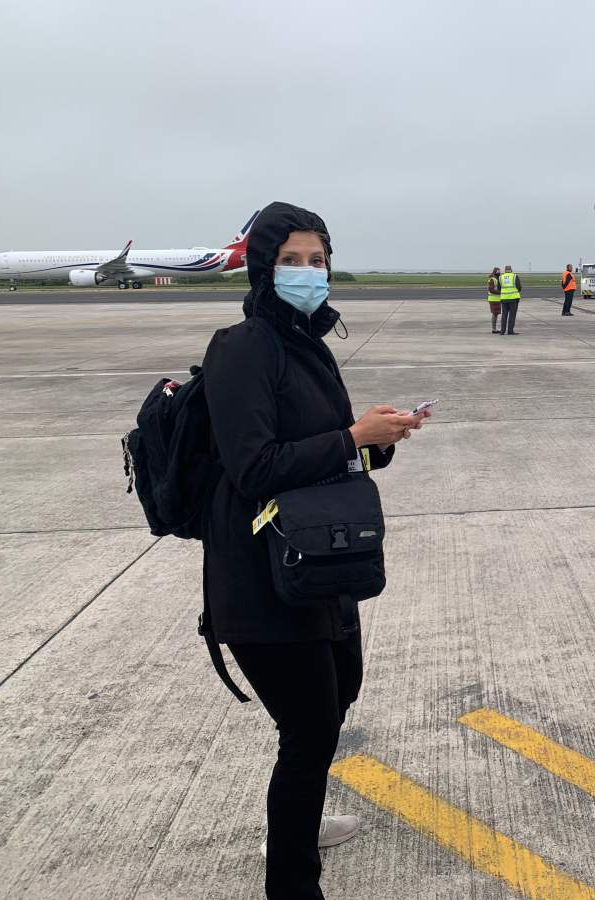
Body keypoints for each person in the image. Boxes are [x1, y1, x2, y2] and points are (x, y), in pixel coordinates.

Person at [202, 202, 428, 900]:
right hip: (261, 576)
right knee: (308, 730)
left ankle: (294, 821)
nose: (307, 273)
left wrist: (375, 441)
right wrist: (352, 438)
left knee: (333, 705)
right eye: (292, 260)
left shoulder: (310, 346)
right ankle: (292, 881)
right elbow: (254, 468)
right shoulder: (243, 348)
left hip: (319, 565)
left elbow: (326, 450)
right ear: (264, 268)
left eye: (318, 259)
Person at [498, 265, 521, 335]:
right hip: (513, 299)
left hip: (504, 299)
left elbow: (499, 288)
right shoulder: (514, 276)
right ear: (511, 270)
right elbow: (519, 287)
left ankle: (502, 331)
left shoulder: (500, 277)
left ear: (505, 270)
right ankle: (510, 331)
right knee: (512, 315)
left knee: (504, 315)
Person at [486, 266, 502, 333]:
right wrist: (500, 292)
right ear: (494, 272)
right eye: (498, 271)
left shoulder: (497, 278)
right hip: (493, 299)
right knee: (495, 314)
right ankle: (494, 329)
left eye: (499, 271)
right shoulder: (492, 279)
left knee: (496, 313)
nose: (499, 273)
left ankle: (494, 328)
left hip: (497, 299)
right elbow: (491, 289)